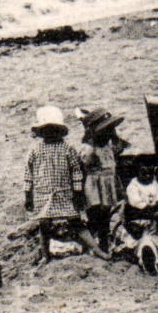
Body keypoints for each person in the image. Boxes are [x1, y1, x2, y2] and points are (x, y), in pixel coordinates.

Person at [23, 106, 108, 260]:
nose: (50, 133)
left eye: (53, 129)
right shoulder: (34, 150)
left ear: (59, 131)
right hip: (43, 194)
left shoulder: (68, 149)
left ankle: (96, 249)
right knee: (44, 224)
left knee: (76, 221)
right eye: (46, 130)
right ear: (41, 132)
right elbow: (28, 174)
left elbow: (76, 172)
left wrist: (77, 192)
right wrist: (28, 195)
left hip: (65, 192)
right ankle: (45, 255)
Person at [75, 109, 127, 250]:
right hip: (95, 186)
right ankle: (90, 245)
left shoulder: (108, 145)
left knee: (106, 215)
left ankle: (103, 243)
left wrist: (114, 134)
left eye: (110, 130)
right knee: (95, 215)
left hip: (107, 185)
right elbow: (82, 166)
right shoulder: (89, 148)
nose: (109, 133)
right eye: (106, 130)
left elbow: (119, 147)